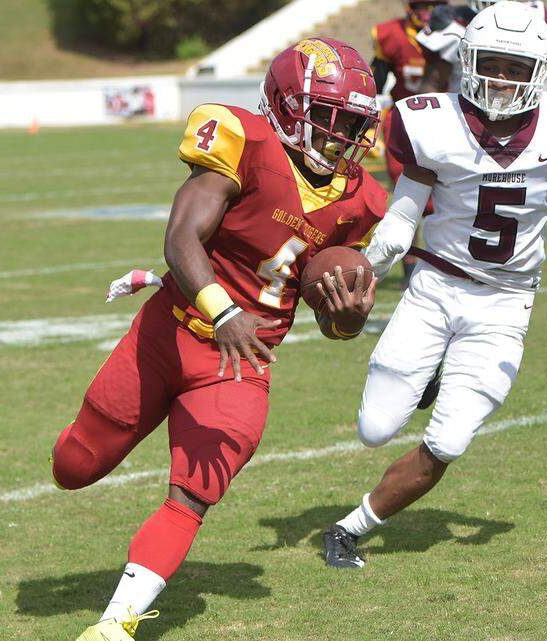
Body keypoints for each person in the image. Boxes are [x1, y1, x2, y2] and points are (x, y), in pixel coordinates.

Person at [53, 37, 386, 639]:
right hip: (169, 331)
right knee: (74, 465)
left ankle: (114, 625)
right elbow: (181, 236)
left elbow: (335, 322)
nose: (341, 139)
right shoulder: (242, 140)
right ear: (287, 107)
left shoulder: (362, 198)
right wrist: (222, 309)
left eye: (352, 126)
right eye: (330, 120)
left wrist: (350, 319)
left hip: (242, 361)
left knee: (195, 491)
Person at [319, 0, 547, 569]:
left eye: (516, 67)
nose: (501, 77)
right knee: (373, 428)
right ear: (469, 59)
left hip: (507, 302)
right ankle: (426, 375)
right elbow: (404, 210)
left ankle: (350, 528)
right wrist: (380, 253)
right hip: (437, 286)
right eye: (491, 62)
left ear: (540, 69)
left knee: (449, 441)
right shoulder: (430, 118)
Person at [370, 1, 449, 287]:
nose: (426, 9)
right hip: (405, 120)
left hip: (447, 120)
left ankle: (446, 257)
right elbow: (376, 83)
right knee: (406, 193)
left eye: (432, 3)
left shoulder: (457, 32)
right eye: (420, 3)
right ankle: (409, 262)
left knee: (447, 194)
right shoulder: (392, 34)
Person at [417, 0, 547, 95]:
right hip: (466, 115)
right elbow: (432, 82)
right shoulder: (453, 22)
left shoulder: (536, 16)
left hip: (522, 111)